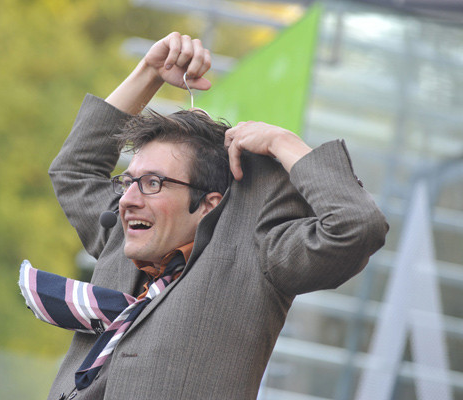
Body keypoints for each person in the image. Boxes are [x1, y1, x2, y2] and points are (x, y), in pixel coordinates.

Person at [39, 32, 388, 399]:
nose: (127, 200)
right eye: (128, 181)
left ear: (208, 204)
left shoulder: (258, 255)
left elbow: (357, 227)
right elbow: (74, 170)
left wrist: (283, 143)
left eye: (153, 183)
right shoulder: (125, 233)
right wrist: (149, 72)